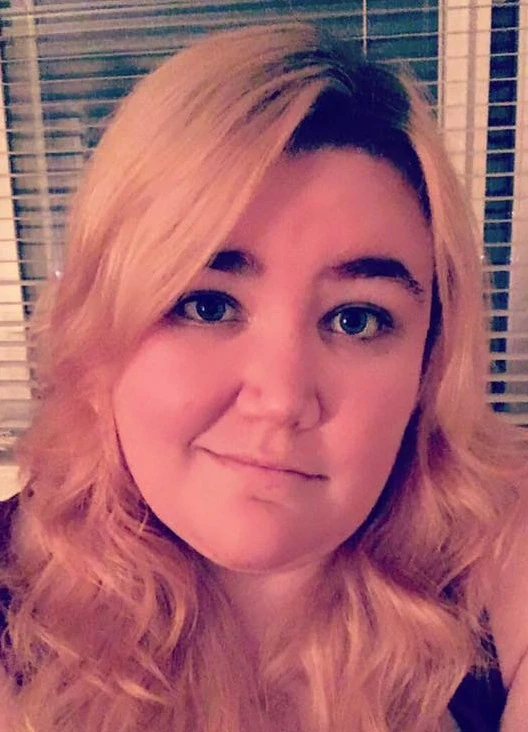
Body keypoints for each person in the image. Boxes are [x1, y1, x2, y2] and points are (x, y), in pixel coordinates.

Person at [0, 21, 527, 732]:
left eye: (356, 319)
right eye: (207, 305)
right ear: (100, 329)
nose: (281, 400)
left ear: (428, 365)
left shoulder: (497, 556)